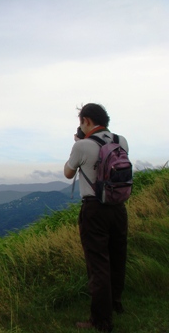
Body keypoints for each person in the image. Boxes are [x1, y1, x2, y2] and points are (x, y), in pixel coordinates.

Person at [64, 103, 129, 332]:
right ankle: (115, 305)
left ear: (86, 121)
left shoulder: (82, 145)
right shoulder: (121, 141)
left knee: (98, 263)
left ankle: (101, 320)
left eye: (81, 121)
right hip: (119, 207)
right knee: (117, 256)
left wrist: (77, 143)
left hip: (94, 209)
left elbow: (68, 172)